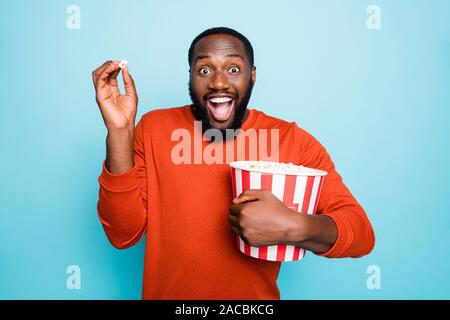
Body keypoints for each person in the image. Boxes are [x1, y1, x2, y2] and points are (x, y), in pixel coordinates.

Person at [93, 27, 375, 300]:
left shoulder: (292, 141)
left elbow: (361, 234)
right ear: (190, 77)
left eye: (233, 69)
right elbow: (122, 235)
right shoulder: (153, 129)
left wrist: (295, 227)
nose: (218, 82)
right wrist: (119, 132)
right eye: (204, 70)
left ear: (252, 77)